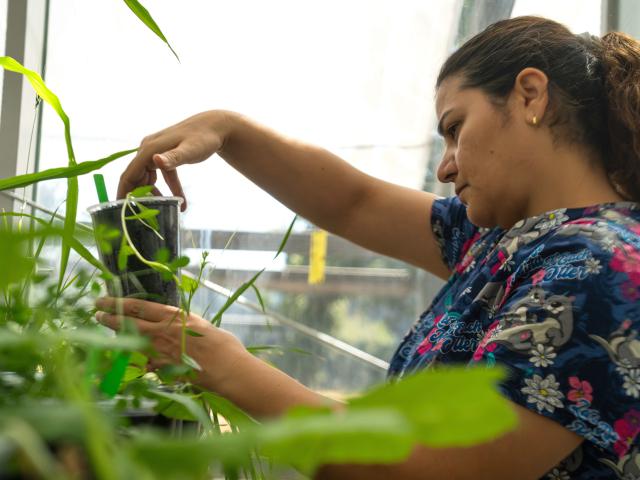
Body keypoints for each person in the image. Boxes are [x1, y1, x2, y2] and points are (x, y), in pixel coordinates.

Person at [95, 15, 640, 479]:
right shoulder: (504, 243)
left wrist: (223, 365)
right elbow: (352, 202)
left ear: (529, 95)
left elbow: (435, 470)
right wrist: (226, 129)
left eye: (455, 128)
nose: (444, 165)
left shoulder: (599, 267)